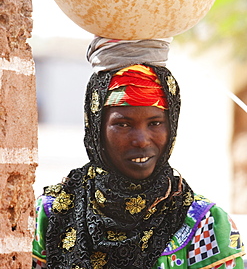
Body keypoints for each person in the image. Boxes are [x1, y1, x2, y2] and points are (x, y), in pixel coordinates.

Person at [32, 60, 245, 269]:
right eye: (123, 124)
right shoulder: (50, 215)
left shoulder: (204, 225)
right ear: (96, 129)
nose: (141, 140)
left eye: (155, 123)